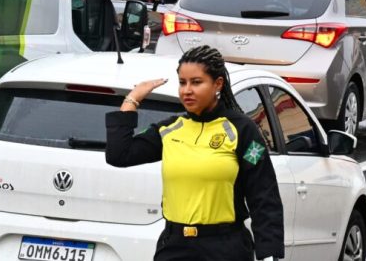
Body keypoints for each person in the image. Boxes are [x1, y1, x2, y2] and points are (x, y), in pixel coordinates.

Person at [106, 45, 284, 261]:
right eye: (182, 82)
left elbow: (264, 195)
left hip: (225, 248)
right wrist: (132, 99)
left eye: (196, 82)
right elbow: (119, 154)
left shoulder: (242, 129)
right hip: (174, 247)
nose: (187, 90)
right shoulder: (170, 129)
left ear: (217, 84)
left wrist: (269, 254)